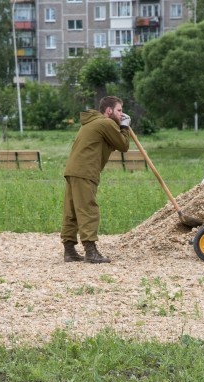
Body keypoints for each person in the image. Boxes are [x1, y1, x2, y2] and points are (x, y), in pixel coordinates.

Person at [61, 96, 130, 263]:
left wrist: (120, 125)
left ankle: (69, 251)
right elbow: (123, 145)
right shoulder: (105, 123)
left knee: (72, 211)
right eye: (119, 110)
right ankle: (90, 251)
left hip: (73, 170)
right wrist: (125, 127)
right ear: (108, 111)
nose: (122, 114)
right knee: (87, 209)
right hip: (85, 171)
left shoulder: (92, 122)